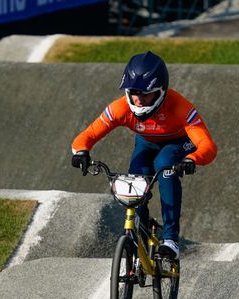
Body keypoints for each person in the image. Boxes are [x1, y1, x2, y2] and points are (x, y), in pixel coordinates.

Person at [71, 51, 217, 259]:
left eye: (145, 94)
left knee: (165, 165)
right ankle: (142, 230)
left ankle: (170, 240)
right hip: (146, 143)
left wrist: (192, 159)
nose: (138, 100)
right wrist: (82, 152)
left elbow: (208, 145)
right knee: (135, 181)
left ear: (161, 92)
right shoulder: (121, 107)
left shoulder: (180, 108)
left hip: (177, 143)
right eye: (134, 93)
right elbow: (88, 135)